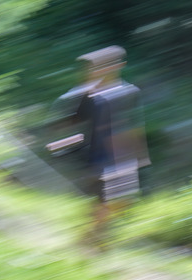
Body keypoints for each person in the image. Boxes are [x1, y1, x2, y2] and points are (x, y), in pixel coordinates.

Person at [46, 45, 150, 249]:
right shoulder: (87, 96)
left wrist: (141, 155)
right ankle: (91, 244)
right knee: (104, 203)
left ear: (119, 66)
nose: (94, 71)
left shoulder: (129, 93)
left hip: (122, 156)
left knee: (119, 202)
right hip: (97, 156)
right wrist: (62, 141)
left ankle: (90, 241)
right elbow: (70, 122)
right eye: (93, 67)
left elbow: (135, 125)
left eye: (101, 66)